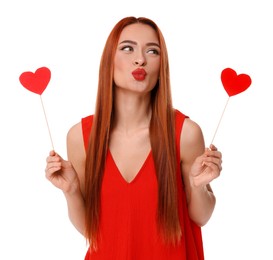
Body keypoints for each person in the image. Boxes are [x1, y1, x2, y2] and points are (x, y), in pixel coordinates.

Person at [45, 16, 222, 260]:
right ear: (109, 60)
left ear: (162, 67)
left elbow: (201, 216)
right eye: (127, 48)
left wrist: (197, 185)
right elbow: (91, 231)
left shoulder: (186, 133)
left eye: (153, 51)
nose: (140, 59)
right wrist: (71, 189)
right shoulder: (80, 137)